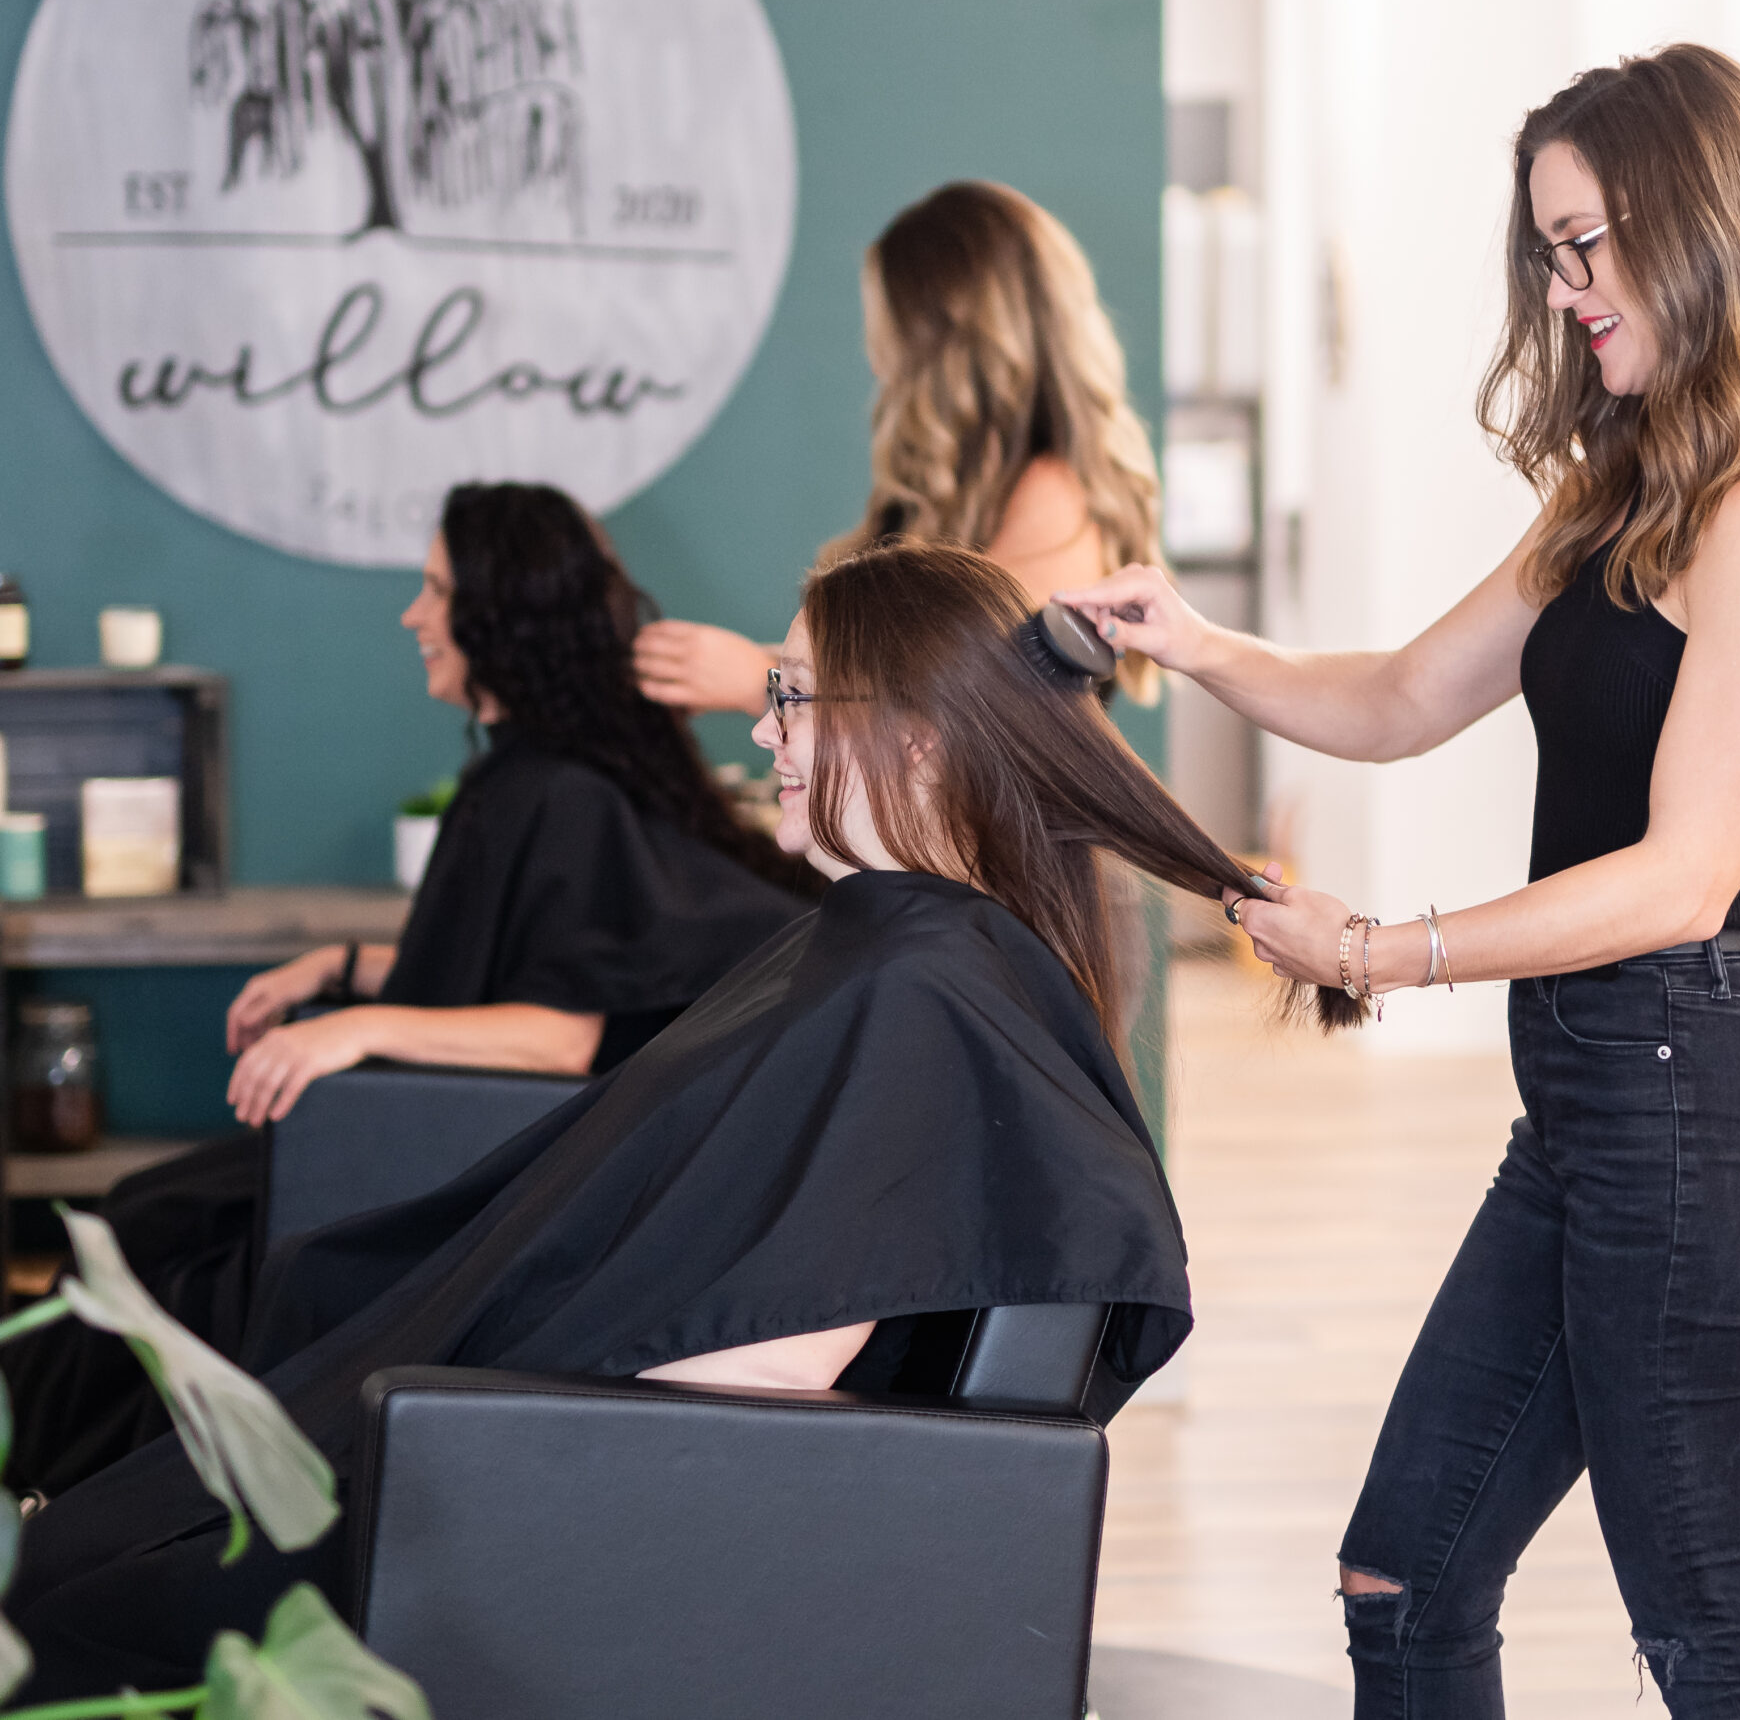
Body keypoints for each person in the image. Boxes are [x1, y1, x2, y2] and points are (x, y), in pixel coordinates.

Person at [6, 542, 1339, 1698]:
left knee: (81, 1596)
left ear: (919, 741)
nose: (762, 732)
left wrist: (496, 1437)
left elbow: (776, 1363)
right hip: (486, 1423)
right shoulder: (898, 955)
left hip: (537, 1493)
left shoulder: (923, 992)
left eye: (791, 696)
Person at [1062, 45, 1740, 1719]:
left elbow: (1684, 880)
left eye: (1587, 245)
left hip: (1707, 1103)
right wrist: (1197, 644)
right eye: (1549, 251)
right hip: (1597, 1103)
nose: (1565, 290)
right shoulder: (1627, 486)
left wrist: (1377, 948)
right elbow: (1399, 698)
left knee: (1720, 1648)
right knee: (1407, 1574)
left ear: (1701, 222)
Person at [0, 483, 810, 1499]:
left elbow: (561, 1033)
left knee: (151, 1232)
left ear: (495, 615)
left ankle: (68, 1493)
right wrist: (343, 966)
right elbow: (512, 957)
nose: (412, 615)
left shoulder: (561, 794)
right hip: (449, 1138)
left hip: (471, 1166)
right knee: (145, 1210)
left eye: (434, 591)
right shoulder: (531, 777)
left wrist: (354, 1029)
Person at [631, 180, 1164, 714]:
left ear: (939, 343)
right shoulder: (951, 492)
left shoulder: (1054, 493)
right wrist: (736, 668)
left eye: (887, 332)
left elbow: (979, 707)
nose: (876, 361)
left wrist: (764, 684)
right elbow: (899, 671)